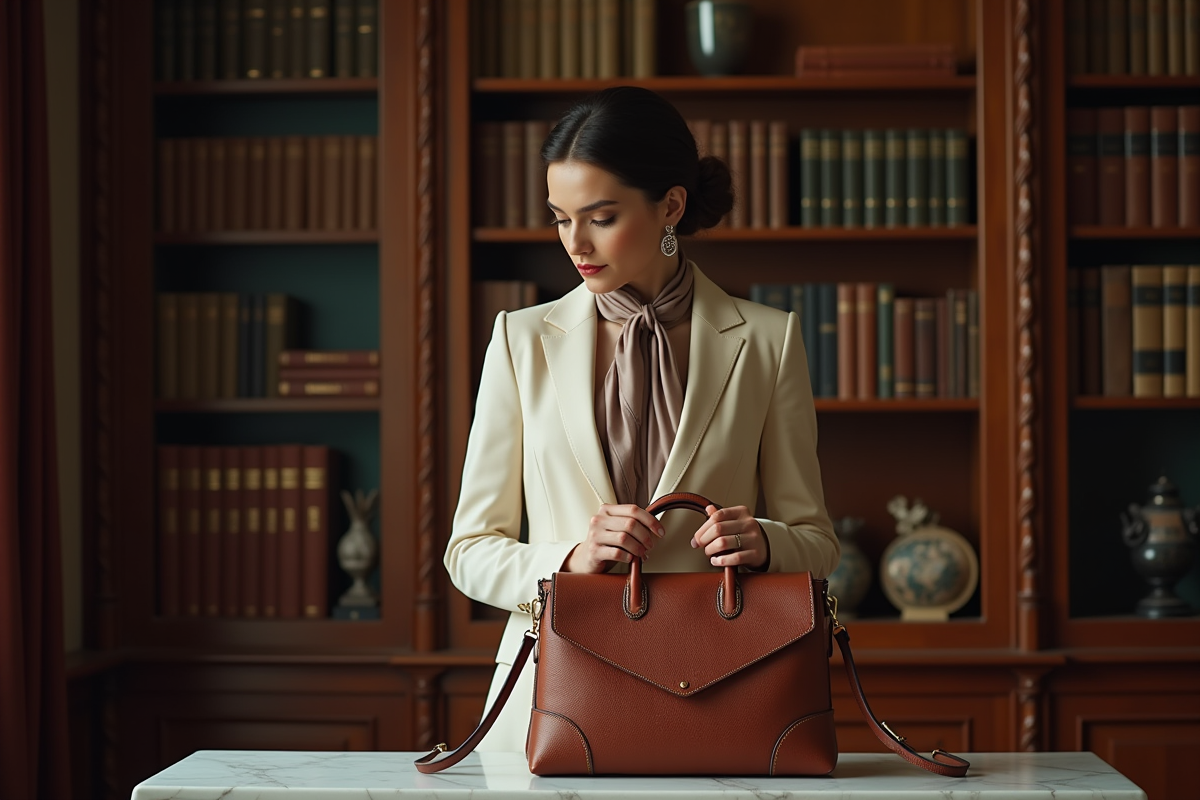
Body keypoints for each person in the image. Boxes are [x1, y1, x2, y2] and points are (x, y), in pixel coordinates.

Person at [444, 86, 838, 752]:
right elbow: (469, 551)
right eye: (560, 218)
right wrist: (569, 558)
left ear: (671, 206)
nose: (575, 242)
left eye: (599, 216)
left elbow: (818, 542)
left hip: (724, 696)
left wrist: (765, 543)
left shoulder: (767, 341)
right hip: (548, 707)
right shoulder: (520, 340)